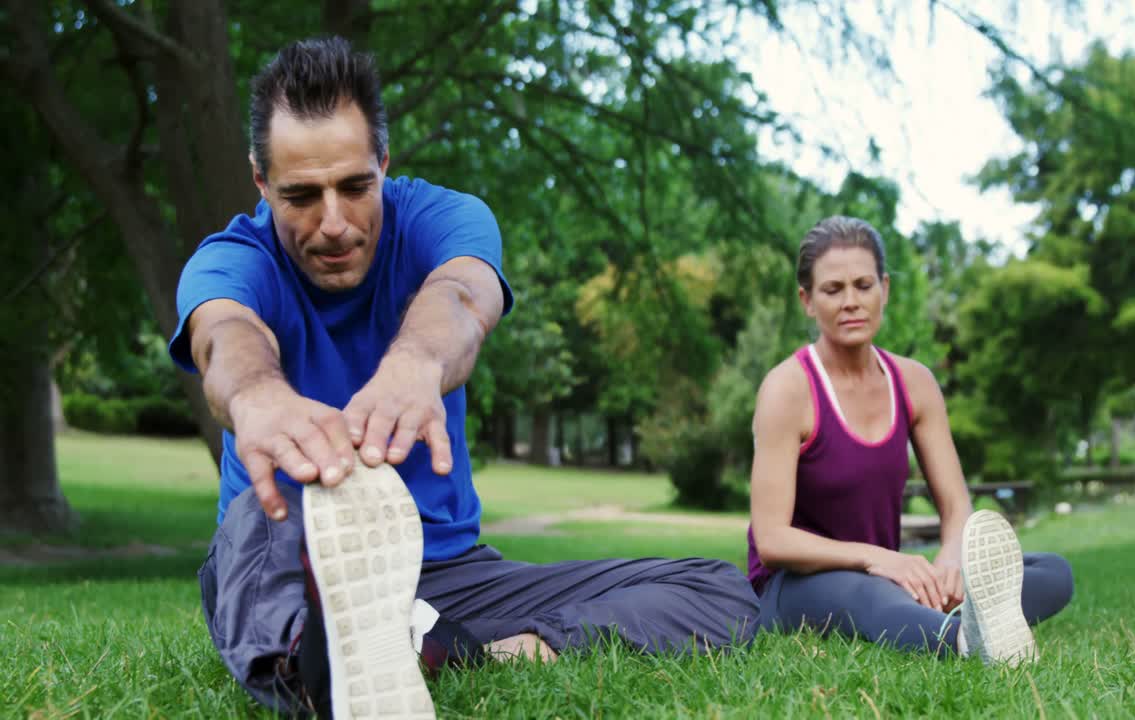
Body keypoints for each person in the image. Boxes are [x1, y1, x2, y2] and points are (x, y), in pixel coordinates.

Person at [170, 37, 758, 718]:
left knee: (718, 590)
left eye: (355, 187)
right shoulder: (230, 259)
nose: (333, 224)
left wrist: (416, 364)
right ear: (260, 181)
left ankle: (461, 648)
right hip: (289, 558)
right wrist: (257, 396)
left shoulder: (445, 219)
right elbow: (224, 332)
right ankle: (318, 660)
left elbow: (462, 294)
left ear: (384, 164)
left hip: (446, 572)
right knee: (260, 521)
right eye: (301, 195)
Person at [746, 216, 1073, 663]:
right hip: (797, 585)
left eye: (863, 285)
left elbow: (956, 506)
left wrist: (951, 562)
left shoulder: (914, 382)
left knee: (1052, 571)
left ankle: (953, 615)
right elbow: (772, 541)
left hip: (887, 574)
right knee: (868, 595)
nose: (851, 302)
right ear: (807, 301)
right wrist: (875, 558)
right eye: (832, 290)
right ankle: (962, 640)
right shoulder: (787, 389)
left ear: (884, 289)